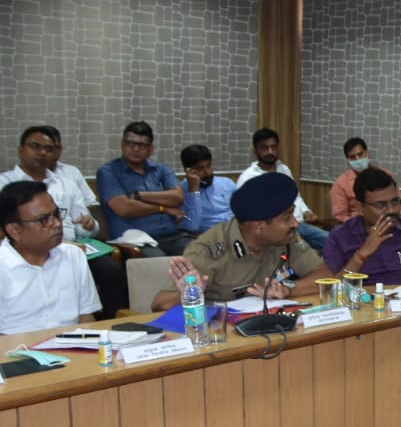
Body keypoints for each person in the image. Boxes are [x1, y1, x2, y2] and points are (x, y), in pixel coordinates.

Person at [152, 172, 327, 311]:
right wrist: (193, 293)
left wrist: (289, 289)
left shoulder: (287, 237)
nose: (295, 223)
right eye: (287, 217)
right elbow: (160, 305)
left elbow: (325, 274)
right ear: (259, 225)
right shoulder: (208, 250)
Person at [0, 126, 126, 318]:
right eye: (36, 146)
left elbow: (84, 228)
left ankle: (111, 322)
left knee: (110, 271)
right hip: (23, 250)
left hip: (73, 248)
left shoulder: (66, 183)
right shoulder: (4, 182)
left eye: (49, 149)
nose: (43, 153)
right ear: (20, 150)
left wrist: (88, 226)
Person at [0, 181, 100, 334]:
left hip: (72, 345)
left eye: (57, 214)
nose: (57, 224)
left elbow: (86, 316)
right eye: (44, 219)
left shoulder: (73, 255)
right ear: (15, 231)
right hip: (16, 346)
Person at [323, 167, 401, 286]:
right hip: (362, 297)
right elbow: (333, 289)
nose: (391, 210)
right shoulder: (340, 237)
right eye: (380, 205)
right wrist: (361, 255)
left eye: (395, 202)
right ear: (360, 207)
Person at [95, 120, 188, 256]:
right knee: (160, 262)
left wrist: (139, 195)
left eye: (142, 145)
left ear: (151, 148)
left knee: (204, 254)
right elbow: (124, 208)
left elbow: (178, 197)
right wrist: (163, 208)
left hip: (173, 237)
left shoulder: (161, 169)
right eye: (130, 143)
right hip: (136, 241)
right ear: (122, 144)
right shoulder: (108, 172)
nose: (135, 149)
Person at [236, 127, 328, 251]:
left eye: (273, 147)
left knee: (333, 241)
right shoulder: (248, 177)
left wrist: (306, 212)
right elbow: (246, 215)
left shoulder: (284, 169)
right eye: (264, 148)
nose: (270, 151)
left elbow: (296, 197)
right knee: (300, 251)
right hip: (274, 231)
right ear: (255, 150)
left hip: (299, 224)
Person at [329, 137, 401, 223]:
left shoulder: (385, 175)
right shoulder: (341, 183)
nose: (358, 159)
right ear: (348, 160)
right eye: (352, 157)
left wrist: (396, 223)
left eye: (360, 154)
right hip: (358, 227)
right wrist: (361, 225)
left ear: (367, 153)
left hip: (390, 223)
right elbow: (339, 216)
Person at [178, 144, 235, 234]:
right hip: (207, 236)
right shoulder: (180, 192)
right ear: (188, 170)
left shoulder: (227, 183)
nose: (208, 172)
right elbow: (191, 227)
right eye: (200, 168)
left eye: (209, 165)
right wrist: (194, 190)